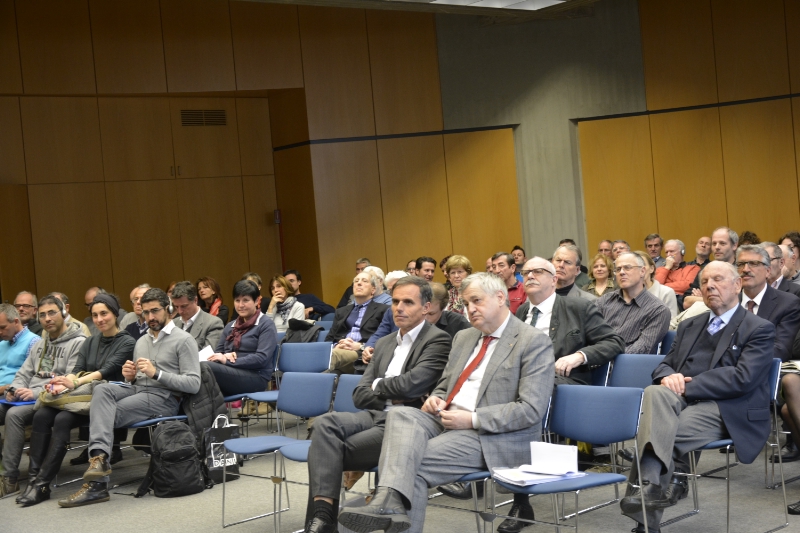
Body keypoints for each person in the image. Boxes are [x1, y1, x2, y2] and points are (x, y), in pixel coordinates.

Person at [336, 272, 554, 533]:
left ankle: (386, 503)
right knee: (401, 415)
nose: (470, 309)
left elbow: (531, 409)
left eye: (476, 301)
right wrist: (437, 397)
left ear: (500, 298)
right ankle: (388, 503)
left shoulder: (533, 341)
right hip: (445, 419)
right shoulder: (464, 337)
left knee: (409, 462)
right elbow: (446, 383)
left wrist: (472, 419)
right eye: (466, 303)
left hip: (489, 434)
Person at [619, 261, 774, 533]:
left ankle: (646, 519)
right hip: (683, 401)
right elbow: (665, 365)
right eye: (704, 281)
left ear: (737, 285)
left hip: (728, 407)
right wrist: (668, 377)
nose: (710, 286)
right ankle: (656, 485)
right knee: (655, 391)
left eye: (718, 279)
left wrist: (687, 386)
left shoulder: (758, 328)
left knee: (656, 434)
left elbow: (743, 378)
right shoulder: (690, 324)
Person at [475, 257, 623, 525]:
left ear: (554, 279)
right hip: (522, 385)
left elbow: (613, 342)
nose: (530, 275)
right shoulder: (520, 312)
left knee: (522, 404)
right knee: (488, 391)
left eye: (538, 271)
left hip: (566, 383)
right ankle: (488, 470)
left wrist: (579, 356)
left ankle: (518, 499)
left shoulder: (578, 307)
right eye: (526, 272)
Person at [303, 277, 451, 533]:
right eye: (395, 302)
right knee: (324, 423)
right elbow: (360, 394)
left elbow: (413, 385)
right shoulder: (384, 343)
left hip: (405, 424)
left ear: (426, 307)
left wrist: (379, 386)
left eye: (408, 302)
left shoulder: (437, 340)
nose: (399, 308)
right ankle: (324, 517)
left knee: (324, 452)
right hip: (373, 414)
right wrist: (392, 392)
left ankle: (319, 524)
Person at [58, 288, 200, 508]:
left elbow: (193, 383)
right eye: (146, 312)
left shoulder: (184, 340)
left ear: (168, 310)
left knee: (102, 413)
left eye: (155, 311)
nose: (150, 317)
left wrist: (157, 373)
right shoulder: (141, 341)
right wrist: (129, 377)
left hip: (164, 397)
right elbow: (135, 381)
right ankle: (99, 463)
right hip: (138, 391)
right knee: (102, 390)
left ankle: (97, 480)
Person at [17, 293, 135, 507]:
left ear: (115, 314)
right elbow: (78, 369)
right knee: (42, 415)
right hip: (82, 398)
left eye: (104, 314)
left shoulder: (127, 341)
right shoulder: (90, 341)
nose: (99, 319)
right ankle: (34, 481)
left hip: (106, 401)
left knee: (62, 419)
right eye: (95, 315)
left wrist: (75, 383)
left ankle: (42, 484)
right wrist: (63, 382)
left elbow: (106, 371)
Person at [1, 295, 86, 497]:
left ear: (63, 314)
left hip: (53, 400)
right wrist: (13, 389)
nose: (47, 319)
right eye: (42, 315)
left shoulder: (79, 342)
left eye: (52, 313)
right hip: (29, 397)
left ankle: (9, 478)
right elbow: (24, 373)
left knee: (14, 415)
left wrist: (35, 392)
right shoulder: (41, 344)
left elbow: (68, 382)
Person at [205, 280, 277, 397]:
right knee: (196, 378)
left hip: (256, 376)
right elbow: (218, 353)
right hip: (231, 373)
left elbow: (261, 358)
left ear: (257, 301)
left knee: (205, 368)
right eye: (237, 300)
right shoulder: (230, 326)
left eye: (245, 300)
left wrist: (228, 360)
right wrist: (225, 356)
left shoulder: (266, 324)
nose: (240, 305)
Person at [596, 252, 671, 354]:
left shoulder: (658, 310)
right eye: (618, 269)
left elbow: (641, 349)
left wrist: (601, 355)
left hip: (627, 362)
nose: (621, 272)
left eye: (627, 268)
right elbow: (589, 336)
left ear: (642, 271)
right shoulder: (603, 301)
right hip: (594, 360)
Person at [735, 245, 800, 362]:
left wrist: (735, 358)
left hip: (761, 369)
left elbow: (781, 350)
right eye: (740, 264)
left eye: (753, 263)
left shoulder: (788, 303)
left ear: (768, 271)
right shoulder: (727, 304)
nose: (745, 269)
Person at [326, 272, 389, 374]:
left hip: (361, 353)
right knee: (325, 359)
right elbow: (329, 338)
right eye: (356, 281)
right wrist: (336, 345)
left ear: (373, 290)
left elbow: (385, 338)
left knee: (329, 356)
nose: (359, 283)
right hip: (340, 350)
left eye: (364, 281)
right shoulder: (341, 311)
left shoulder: (383, 310)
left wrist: (361, 346)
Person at [683, 227, 738, 310]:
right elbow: (686, 302)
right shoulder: (706, 270)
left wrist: (703, 297)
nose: (717, 247)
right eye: (714, 244)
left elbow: (739, 301)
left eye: (722, 243)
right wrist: (713, 299)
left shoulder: (742, 270)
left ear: (734, 246)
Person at [171, 281, 224, 350]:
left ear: (195, 300)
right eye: (176, 307)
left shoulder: (213, 323)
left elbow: (208, 354)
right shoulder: (173, 324)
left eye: (184, 306)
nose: (179, 311)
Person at [0, 304, 38, 396]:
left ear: (16, 322)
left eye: (3, 327)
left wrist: (6, 388)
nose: (0, 332)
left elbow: (33, 378)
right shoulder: (2, 344)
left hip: (14, 393)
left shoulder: (34, 342)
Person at [654, 240, 700, 310]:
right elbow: (656, 286)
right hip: (661, 303)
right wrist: (667, 267)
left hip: (680, 303)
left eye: (672, 251)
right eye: (666, 252)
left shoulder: (693, 268)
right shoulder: (660, 270)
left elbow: (687, 286)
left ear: (682, 252)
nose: (669, 255)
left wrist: (663, 286)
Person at [635, 251, 679, 319]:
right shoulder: (625, 293)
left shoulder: (666, 292)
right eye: (633, 266)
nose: (640, 269)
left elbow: (670, 322)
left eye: (642, 265)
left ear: (651, 269)